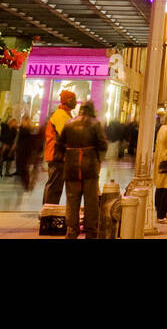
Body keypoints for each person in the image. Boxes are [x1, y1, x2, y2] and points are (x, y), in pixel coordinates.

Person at [56, 101, 108, 239]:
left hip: (72, 167)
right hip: (89, 167)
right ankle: (91, 233)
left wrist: (63, 158)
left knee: (72, 202)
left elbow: (59, 144)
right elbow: (103, 145)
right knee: (91, 202)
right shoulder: (95, 124)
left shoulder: (69, 123)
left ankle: (72, 231)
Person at [43, 90, 77, 205]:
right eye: (74, 100)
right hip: (56, 155)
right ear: (68, 101)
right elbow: (67, 135)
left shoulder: (65, 114)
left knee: (56, 186)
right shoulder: (60, 115)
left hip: (58, 156)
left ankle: (49, 212)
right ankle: (48, 213)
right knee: (54, 186)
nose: (76, 102)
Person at [14, 113, 41, 191]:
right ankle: (26, 183)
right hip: (22, 150)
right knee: (22, 167)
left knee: (23, 167)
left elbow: (32, 140)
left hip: (25, 150)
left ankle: (27, 183)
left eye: (23, 120)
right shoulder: (24, 128)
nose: (22, 121)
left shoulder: (29, 129)